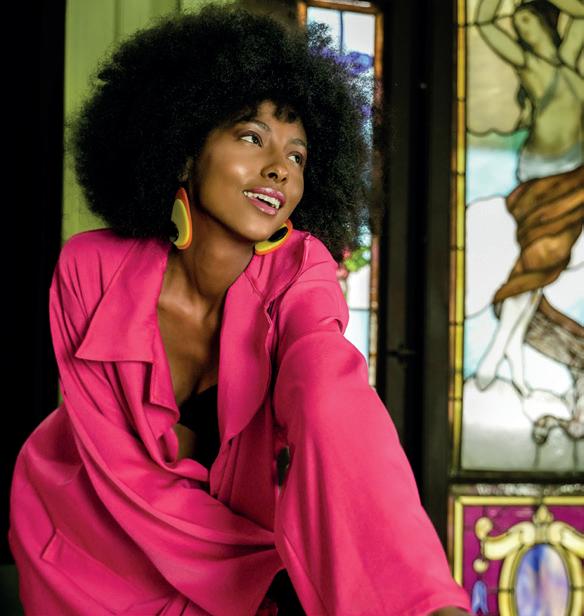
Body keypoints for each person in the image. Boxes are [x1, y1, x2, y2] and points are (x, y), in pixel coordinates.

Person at [9, 4, 472, 615]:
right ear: (184, 149)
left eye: (298, 156)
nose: (278, 168)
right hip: (83, 547)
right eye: (252, 137)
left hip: (229, 569)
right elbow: (120, 470)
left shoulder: (301, 272)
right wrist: (271, 559)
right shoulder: (91, 268)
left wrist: (421, 602)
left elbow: (331, 395)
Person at [474, 0, 583, 401]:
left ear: (545, 22)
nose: (522, 32)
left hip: (575, 176)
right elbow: (485, 22)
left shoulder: (569, 58)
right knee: (537, 262)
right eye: (518, 27)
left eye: (527, 23)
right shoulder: (530, 66)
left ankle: (508, 351)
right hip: (541, 179)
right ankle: (499, 349)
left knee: (541, 265)